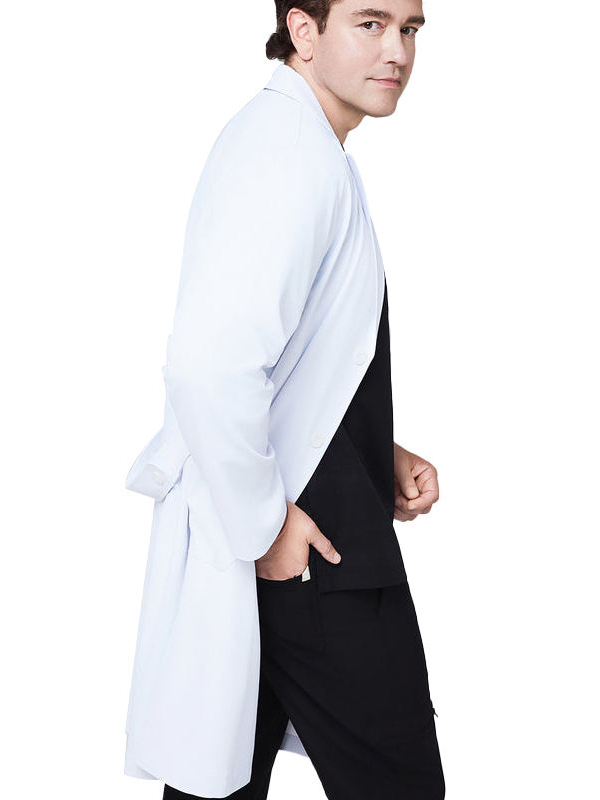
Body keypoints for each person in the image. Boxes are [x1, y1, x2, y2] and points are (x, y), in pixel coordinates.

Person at [124, 1, 444, 798]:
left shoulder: (303, 144)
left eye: (410, 29)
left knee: (218, 782)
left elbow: (290, 357)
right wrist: (266, 526)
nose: (397, 51)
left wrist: (371, 447)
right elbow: (206, 365)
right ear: (303, 31)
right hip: (313, 546)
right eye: (370, 24)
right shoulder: (286, 152)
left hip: (297, 523)